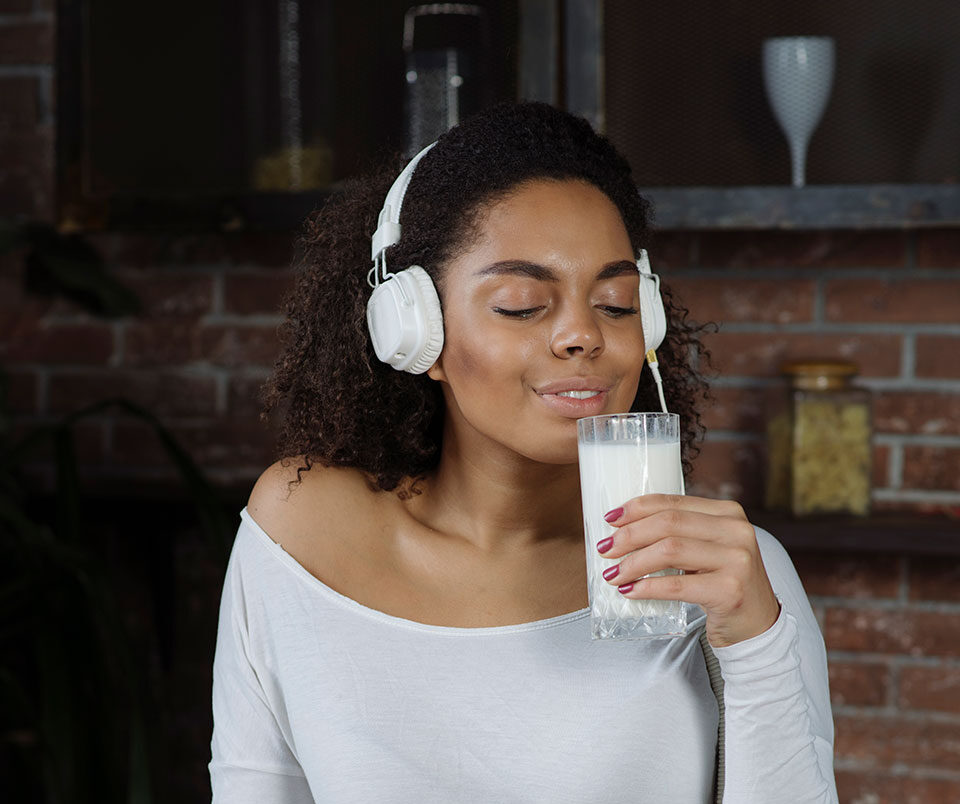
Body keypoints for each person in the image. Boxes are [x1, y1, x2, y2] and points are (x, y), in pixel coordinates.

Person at [209, 102, 837, 803]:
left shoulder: (726, 577)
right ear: (412, 331)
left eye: (617, 303)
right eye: (520, 304)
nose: (582, 336)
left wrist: (755, 641)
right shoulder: (300, 532)